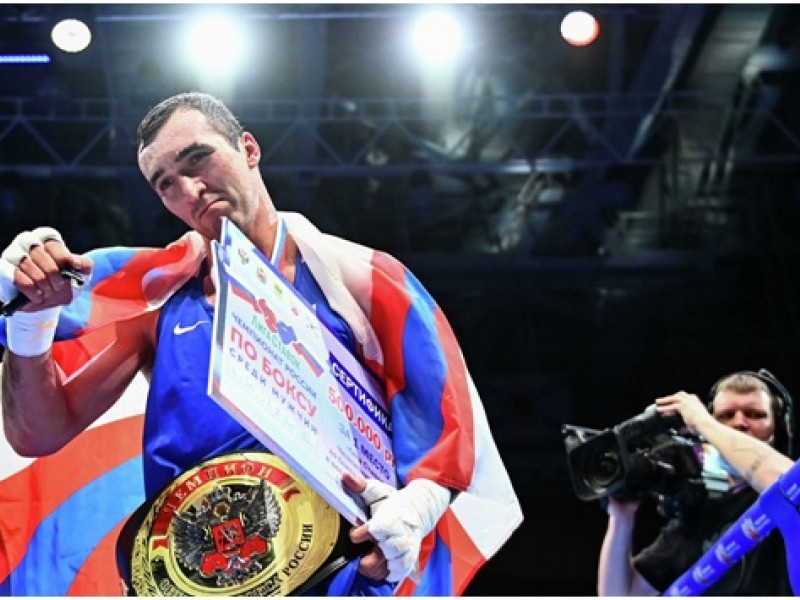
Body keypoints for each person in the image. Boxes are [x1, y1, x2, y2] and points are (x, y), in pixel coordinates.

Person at [0, 92, 522, 596]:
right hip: (192, 580)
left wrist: (416, 508)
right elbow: (37, 431)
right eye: (166, 184)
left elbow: (443, 415)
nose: (190, 189)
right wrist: (32, 322)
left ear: (248, 148)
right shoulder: (159, 304)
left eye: (198, 159)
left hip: (337, 578)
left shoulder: (360, 280)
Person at [597, 369, 795, 596]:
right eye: (726, 415)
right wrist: (621, 518)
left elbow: (788, 486)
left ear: (778, 429)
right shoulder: (701, 514)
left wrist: (703, 421)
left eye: (754, 414)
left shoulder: (785, 478)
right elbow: (620, 595)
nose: (739, 423)